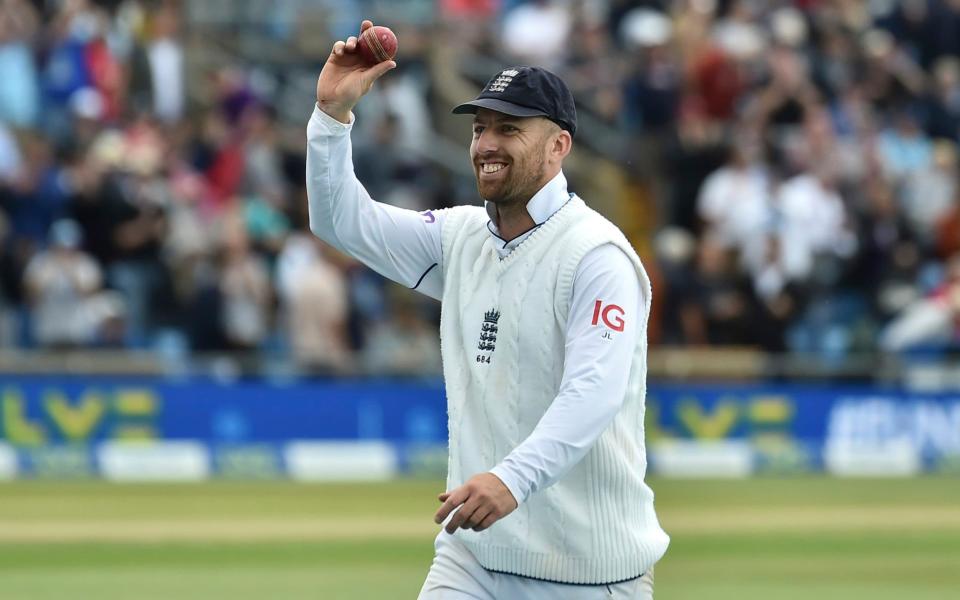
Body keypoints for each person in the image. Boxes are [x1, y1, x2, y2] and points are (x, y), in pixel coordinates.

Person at [307, 20, 668, 599]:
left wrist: (510, 479)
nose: (486, 144)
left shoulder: (597, 255)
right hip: (472, 561)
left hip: (590, 572)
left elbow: (593, 392)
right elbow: (340, 222)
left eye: (509, 128)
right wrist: (331, 118)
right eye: (480, 129)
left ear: (559, 146)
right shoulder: (460, 237)